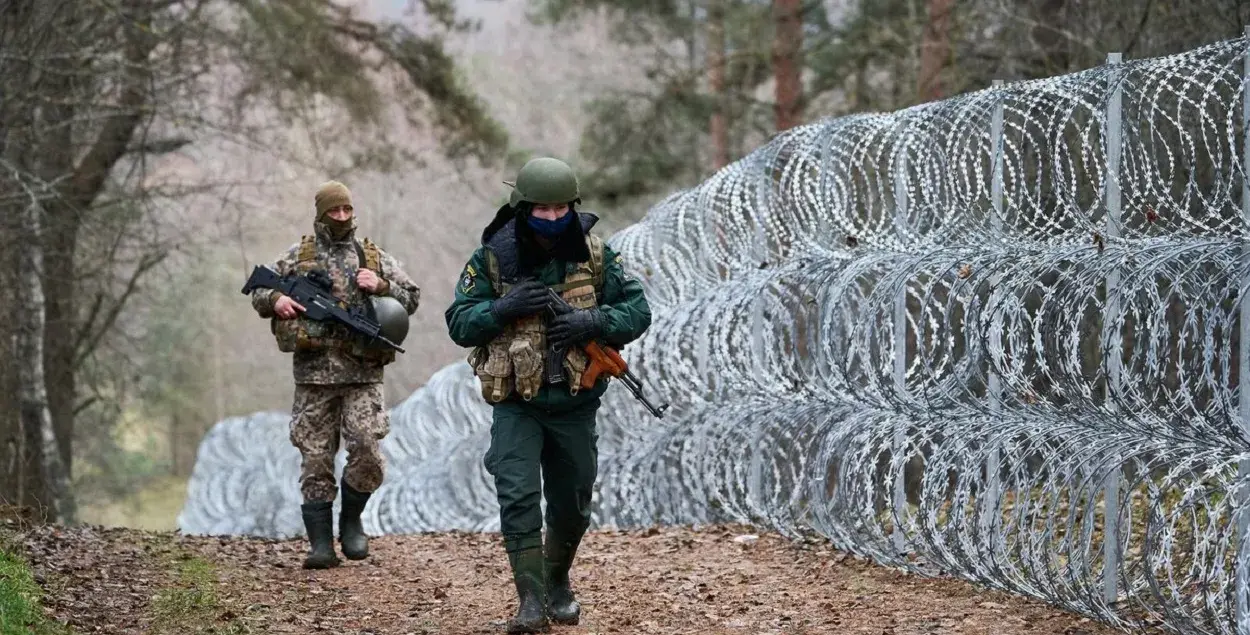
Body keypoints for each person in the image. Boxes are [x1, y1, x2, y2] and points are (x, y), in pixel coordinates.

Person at [444, 157, 652, 633]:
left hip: (575, 405)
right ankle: (531, 601)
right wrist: (500, 309)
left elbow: (638, 310)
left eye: (562, 209)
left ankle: (557, 582)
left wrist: (594, 321)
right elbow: (459, 322)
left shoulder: (596, 255)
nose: (554, 218)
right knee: (517, 496)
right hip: (517, 404)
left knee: (572, 502)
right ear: (523, 208)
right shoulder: (492, 259)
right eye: (543, 209)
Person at [250, 180, 420, 569]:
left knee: (367, 452)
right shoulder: (300, 254)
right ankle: (321, 544)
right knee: (315, 458)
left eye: (346, 210)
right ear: (321, 213)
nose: (341, 217)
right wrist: (278, 300)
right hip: (313, 377)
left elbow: (411, 297)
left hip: (363, 374)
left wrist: (381, 285)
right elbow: (259, 289)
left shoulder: (372, 255)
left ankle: (352, 521)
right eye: (334, 211)